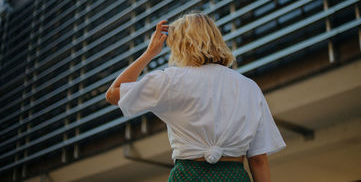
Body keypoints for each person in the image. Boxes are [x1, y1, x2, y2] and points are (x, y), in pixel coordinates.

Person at [106, 12, 286, 181]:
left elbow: (114, 94)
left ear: (180, 45)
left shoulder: (170, 80)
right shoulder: (249, 87)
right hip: (234, 176)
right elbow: (258, 160)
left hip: (188, 176)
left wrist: (149, 53)